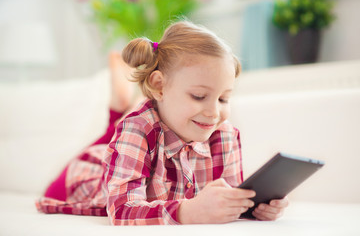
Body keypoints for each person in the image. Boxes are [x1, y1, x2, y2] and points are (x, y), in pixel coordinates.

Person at [36, 21, 288, 225]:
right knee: (127, 127)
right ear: (159, 85)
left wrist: (254, 209)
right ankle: (118, 112)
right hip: (85, 178)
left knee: (132, 129)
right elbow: (122, 211)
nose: (213, 112)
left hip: (139, 140)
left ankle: (121, 109)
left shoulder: (225, 134)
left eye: (223, 98)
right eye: (199, 96)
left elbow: (226, 202)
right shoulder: (136, 129)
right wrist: (187, 212)